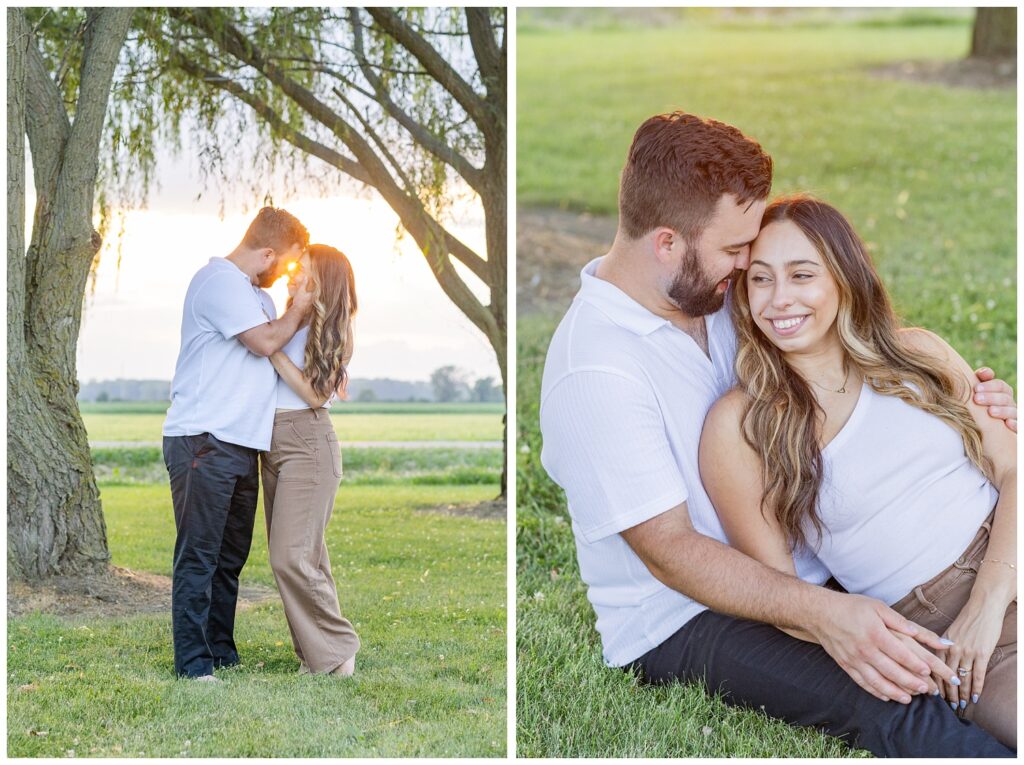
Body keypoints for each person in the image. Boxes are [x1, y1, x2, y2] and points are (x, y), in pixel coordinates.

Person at [538, 112, 1017, 756]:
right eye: (740, 255)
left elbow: (854, 358)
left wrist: (975, 403)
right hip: (686, 613)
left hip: (821, 569)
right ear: (667, 243)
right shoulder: (595, 369)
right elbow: (670, 552)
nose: (750, 273)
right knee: (890, 702)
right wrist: (824, 614)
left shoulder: (716, 299)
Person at [699, 195, 1015, 748]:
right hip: (943, 627)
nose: (780, 300)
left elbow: (1016, 467)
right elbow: (783, 598)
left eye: (802, 275)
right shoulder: (742, 426)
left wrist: (989, 604)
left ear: (844, 278)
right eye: (761, 281)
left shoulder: (918, 355)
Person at [163, 207, 312, 681]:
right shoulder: (219, 282)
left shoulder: (256, 297)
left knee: (230, 558)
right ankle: (193, 664)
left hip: (243, 443)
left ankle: (221, 652)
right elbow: (265, 343)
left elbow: (280, 348)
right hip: (204, 439)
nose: (285, 272)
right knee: (200, 554)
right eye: (286, 263)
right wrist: (300, 308)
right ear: (267, 252)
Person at [262, 244, 361, 676]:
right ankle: (314, 655)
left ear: (323, 277)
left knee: (290, 556)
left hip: (308, 443)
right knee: (308, 556)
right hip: (269, 442)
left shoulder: (337, 328)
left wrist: (271, 348)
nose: (293, 273)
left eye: (302, 268)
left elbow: (316, 394)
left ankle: (338, 648)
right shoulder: (289, 317)